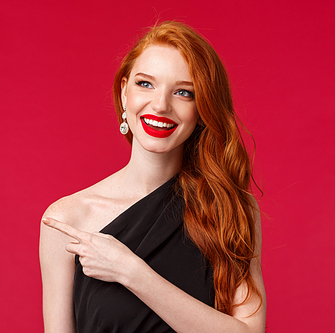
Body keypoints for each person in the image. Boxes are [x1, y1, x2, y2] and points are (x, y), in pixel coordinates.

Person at [39, 21, 266, 333]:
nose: (160, 105)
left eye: (184, 92)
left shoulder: (231, 209)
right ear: (124, 93)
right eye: (145, 84)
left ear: (202, 109)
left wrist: (131, 272)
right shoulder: (67, 220)